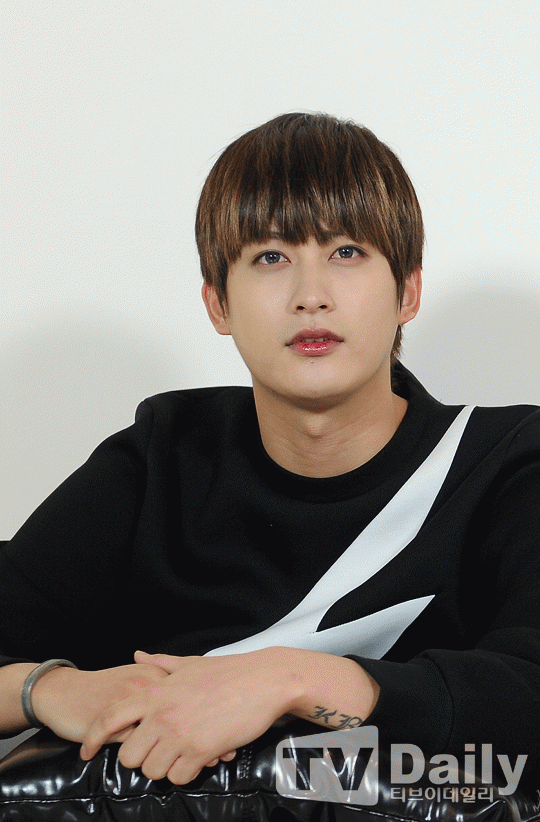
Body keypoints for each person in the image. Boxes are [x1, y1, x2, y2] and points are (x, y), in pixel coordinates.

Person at [0, 112, 539, 795]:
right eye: (270, 257)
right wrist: (48, 689)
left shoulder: (505, 464)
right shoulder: (162, 457)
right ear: (217, 304)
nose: (311, 296)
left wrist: (293, 678)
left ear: (407, 291)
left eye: (347, 252)